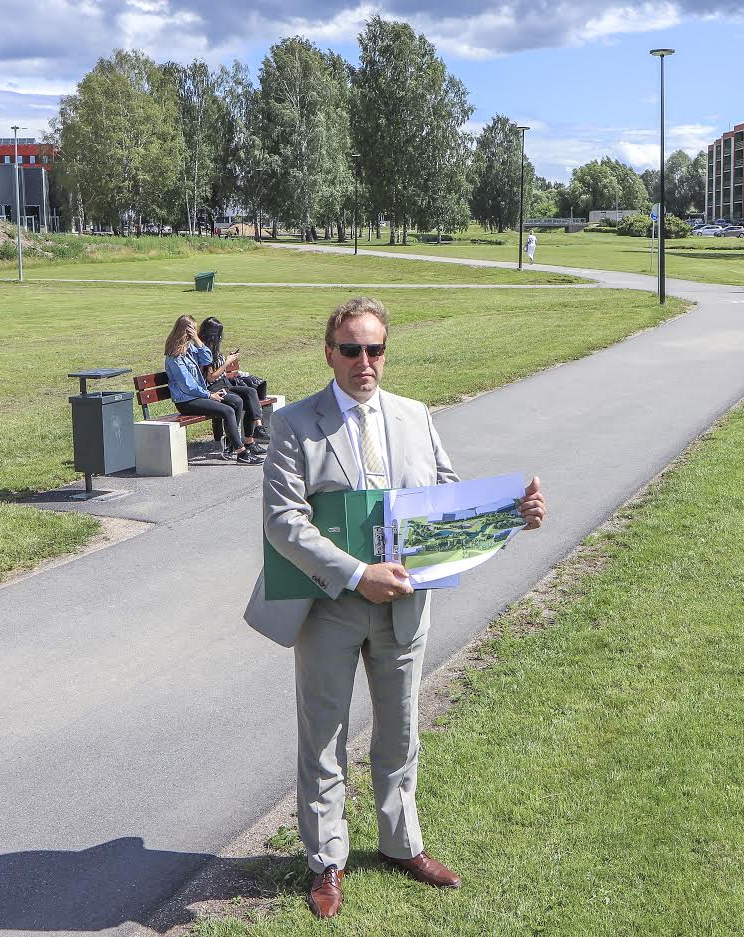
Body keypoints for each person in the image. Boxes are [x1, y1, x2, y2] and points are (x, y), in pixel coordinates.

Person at [243, 297, 547, 919]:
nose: (364, 362)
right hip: (329, 606)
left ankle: (400, 844)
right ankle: (327, 860)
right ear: (329, 353)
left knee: (400, 729)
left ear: (386, 353)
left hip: (405, 607)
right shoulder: (295, 423)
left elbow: (444, 503)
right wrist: (358, 573)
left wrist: (510, 516)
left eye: (374, 349)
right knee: (323, 736)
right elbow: (282, 522)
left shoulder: (415, 416)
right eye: (351, 349)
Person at [163, 315, 264, 465]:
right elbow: (188, 386)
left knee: (235, 403)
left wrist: (197, 340)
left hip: (198, 396)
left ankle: (234, 445)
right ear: (186, 331)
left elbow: (207, 359)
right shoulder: (175, 357)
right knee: (227, 410)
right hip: (186, 401)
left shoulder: (190, 349)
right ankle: (242, 453)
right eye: (193, 330)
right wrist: (210, 395)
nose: (196, 332)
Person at [197, 316, 270, 456]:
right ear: (213, 334)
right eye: (219, 335)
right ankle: (234, 442)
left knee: (250, 392)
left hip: (225, 383)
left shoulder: (213, 347)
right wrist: (227, 362)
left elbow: (218, 370)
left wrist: (227, 359)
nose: (220, 338)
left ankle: (256, 431)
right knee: (238, 401)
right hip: (214, 388)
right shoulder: (203, 350)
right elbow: (210, 377)